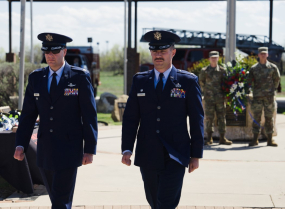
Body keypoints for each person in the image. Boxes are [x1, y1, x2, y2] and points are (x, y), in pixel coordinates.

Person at [121, 30, 204, 209]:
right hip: (147, 153)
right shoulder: (140, 81)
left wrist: (195, 154)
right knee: (154, 202)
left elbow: (197, 119)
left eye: (163, 51)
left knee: (166, 203)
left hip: (175, 154)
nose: (158, 55)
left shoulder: (187, 81)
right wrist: (127, 148)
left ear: (172, 52)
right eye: (155, 51)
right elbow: (130, 118)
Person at [14, 33, 98, 209]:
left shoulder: (79, 77)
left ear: (64, 51)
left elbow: (89, 114)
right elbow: (28, 115)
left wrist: (89, 149)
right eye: (47, 52)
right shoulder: (36, 78)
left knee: (60, 201)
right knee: (56, 198)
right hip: (45, 150)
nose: (50, 56)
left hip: (69, 149)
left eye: (55, 51)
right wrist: (20, 144)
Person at [247, 47, 280, 147]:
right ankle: (255, 139)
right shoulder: (253, 68)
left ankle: (270, 139)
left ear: (267, 55)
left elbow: (277, 79)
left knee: (269, 118)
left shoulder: (272, 67)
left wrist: (272, 90)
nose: (263, 55)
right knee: (256, 117)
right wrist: (252, 91)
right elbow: (249, 81)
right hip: (257, 97)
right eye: (261, 53)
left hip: (269, 97)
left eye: (265, 53)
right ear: (258, 55)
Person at [199, 51, 232, 145]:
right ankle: (209, 138)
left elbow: (226, 84)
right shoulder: (204, 71)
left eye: (215, 57)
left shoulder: (222, 71)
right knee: (209, 118)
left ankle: (222, 138)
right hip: (209, 99)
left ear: (218, 58)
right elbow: (201, 82)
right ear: (209, 59)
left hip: (220, 98)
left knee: (222, 117)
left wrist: (225, 94)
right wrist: (206, 91)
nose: (214, 59)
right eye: (212, 57)